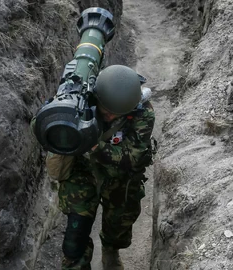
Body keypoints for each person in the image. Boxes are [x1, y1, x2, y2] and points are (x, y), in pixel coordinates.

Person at [58, 64, 155, 270]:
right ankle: (77, 262)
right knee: (75, 234)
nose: (109, 116)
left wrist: (94, 145)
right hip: (83, 172)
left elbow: (132, 156)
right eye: (106, 111)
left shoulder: (143, 113)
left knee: (119, 224)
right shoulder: (83, 98)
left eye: (115, 114)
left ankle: (110, 251)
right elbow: (41, 125)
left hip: (121, 177)